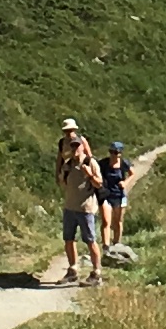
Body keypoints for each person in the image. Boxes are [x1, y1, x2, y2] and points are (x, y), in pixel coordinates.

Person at [55, 119, 102, 285]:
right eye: (72, 146)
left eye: (77, 146)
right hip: (70, 206)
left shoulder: (90, 162)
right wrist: (60, 175)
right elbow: (61, 173)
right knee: (69, 239)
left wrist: (89, 173)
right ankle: (73, 269)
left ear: (81, 145)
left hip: (86, 208)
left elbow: (99, 183)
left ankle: (97, 273)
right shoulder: (67, 164)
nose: (74, 148)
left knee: (90, 240)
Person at [95, 137, 135, 263]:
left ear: (120, 153)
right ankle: (106, 247)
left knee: (118, 221)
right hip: (106, 195)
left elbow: (132, 174)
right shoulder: (103, 164)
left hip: (119, 195)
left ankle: (117, 243)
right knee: (106, 221)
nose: (114, 155)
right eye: (112, 152)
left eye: (117, 153)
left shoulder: (124, 164)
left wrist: (125, 182)